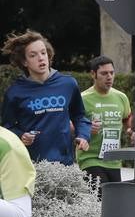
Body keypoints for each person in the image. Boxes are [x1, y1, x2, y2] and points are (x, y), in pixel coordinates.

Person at [2, 31, 89, 166]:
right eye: (33, 55)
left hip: (65, 165)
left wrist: (83, 136)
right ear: (25, 61)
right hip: (31, 166)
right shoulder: (14, 92)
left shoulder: (68, 84)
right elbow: (7, 128)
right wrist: (21, 135)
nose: (41, 58)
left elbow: (79, 117)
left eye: (43, 53)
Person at [76, 56, 132, 196]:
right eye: (104, 73)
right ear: (93, 74)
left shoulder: (121, 97)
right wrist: (85, 129)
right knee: (102, 199)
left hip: (113, 160)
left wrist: (131, 131)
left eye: (111, 73)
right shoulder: (83, 98)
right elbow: (70, 125)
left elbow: (127, 118)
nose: (109, 77)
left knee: (113, 205)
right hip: (90, 159)